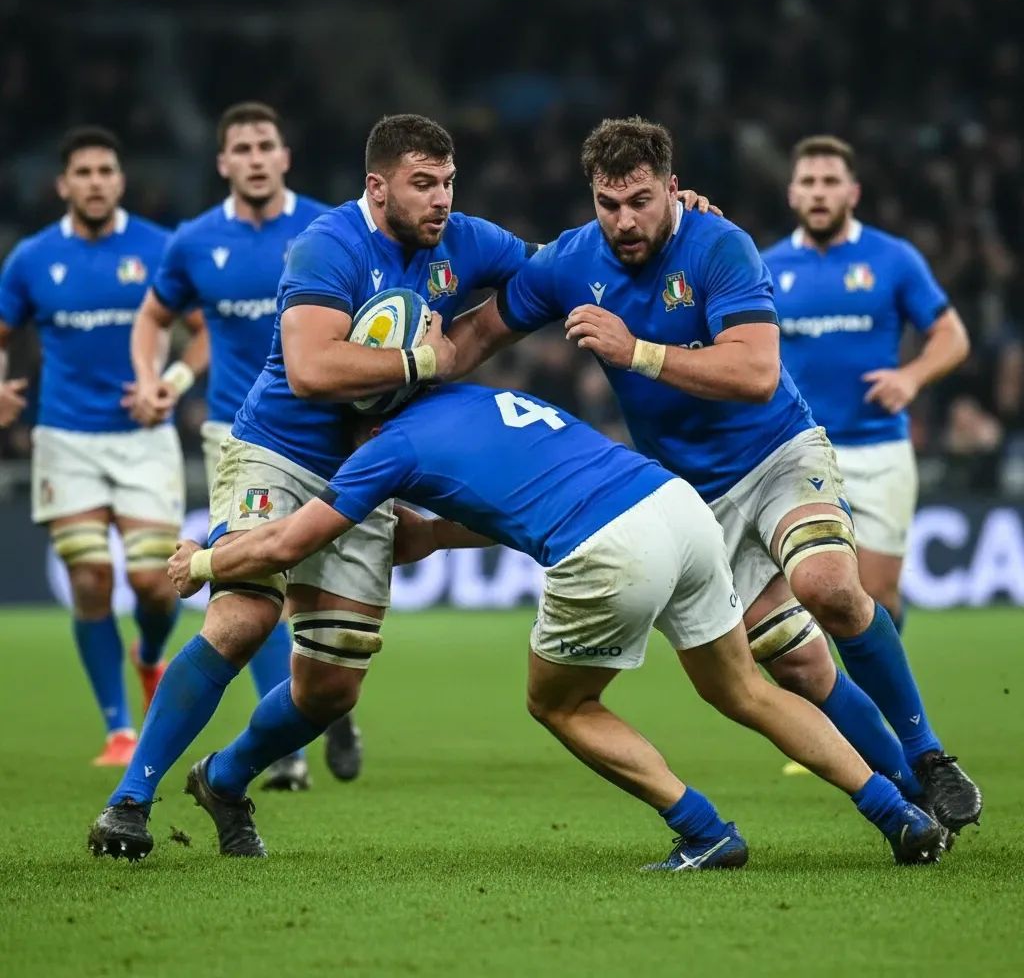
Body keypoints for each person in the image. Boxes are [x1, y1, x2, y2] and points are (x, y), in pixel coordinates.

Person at [445, 116, 982, 836]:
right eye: (608, 204)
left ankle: (929, 756)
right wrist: (410, 372)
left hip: (778, 453)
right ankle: (909, 791)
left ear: (672, 189)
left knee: (828, 586)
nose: (624, 221)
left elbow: (757, 374)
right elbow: (481, 332)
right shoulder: (570, 262)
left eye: (640, 201)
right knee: (797, 669)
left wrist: (636, 352)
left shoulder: (719, 245)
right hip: (694, 497)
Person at [159, 381, 943, 869]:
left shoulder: (380, 450)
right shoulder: (479, 396)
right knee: (745, 689)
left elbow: (289, 544)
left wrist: (204, 561)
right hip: (674, 507)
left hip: (609, 550)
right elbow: (516, 488)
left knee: (560, 703)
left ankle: (703, 831)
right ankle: (897, 813)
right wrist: (436, 538)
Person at [86, 113, 533, 855]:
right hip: (277, 450)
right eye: (423, 184)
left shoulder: (464, 240)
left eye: (449, 183)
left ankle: (224, 779)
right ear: (377, 187)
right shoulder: (328, 244)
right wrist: (428, 362)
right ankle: (128, 801)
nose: (441, 200)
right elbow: (311, 370)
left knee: (331, 687)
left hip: (368, 472)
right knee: (243, 618)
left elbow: (553, 270)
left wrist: (673, 228)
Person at [126, 101, 346, 791]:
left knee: (318, 597)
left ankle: (324, 697)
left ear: (285, 157)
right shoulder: (193, 241)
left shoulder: (329, 228)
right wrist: (153, 378)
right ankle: (289, 748)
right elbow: (153, 316)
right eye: (242, 148)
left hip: (326, 431)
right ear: (223, 162)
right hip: (237, 435)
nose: (255, 158)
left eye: (265, 146)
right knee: (253, 584)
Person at [0, 127, 203, 765]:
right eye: (83, 172)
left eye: (105, 170)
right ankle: (118, 730)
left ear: (121, 180)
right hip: (66, 439)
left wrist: (170, 385)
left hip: (143, 439)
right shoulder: (32, 258)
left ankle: (149, 655)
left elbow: (205, 333)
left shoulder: (160, 247)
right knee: (90, 579)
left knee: (153, 584)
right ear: (63, 184)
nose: (95, 181)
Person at [762, 134, 970, 631]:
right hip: (796, 451)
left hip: (878, 450)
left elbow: (953, 336)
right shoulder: (765, 266)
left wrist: (912, 377)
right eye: (808, 181)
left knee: (877, 598)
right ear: (792, 193)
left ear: (852, 192)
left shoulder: (893, 259)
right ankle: (827, 686)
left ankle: (887, 682)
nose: (819, 192)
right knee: (799, 603)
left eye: (830, 181)